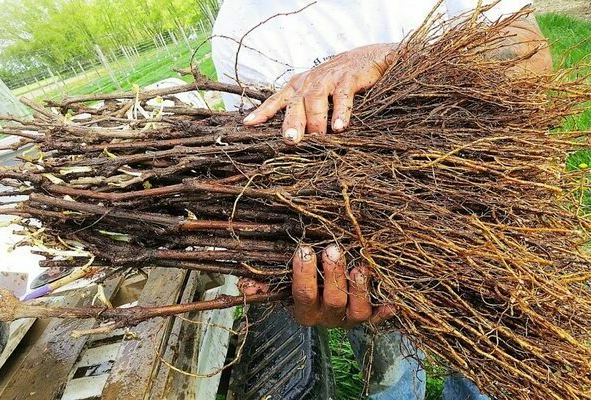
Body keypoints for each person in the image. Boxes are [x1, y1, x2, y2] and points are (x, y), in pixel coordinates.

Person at [210, 1, 551, 398]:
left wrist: (400, 59)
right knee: (390, 377)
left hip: (490, 221)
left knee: (493, 361)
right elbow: (271, 176)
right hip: (367, 249)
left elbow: (533, 59)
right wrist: (290, 276)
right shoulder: (240, 26)